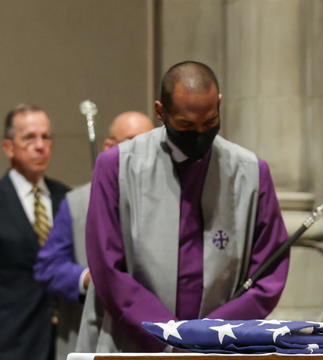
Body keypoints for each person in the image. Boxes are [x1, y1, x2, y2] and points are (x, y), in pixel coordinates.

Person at [77, 61, 290, 352]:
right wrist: (170, 335)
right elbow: (107, 266)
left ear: (218, 104)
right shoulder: (117, 166)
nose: (200, 134)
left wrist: (209, 335)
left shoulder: (251, 171)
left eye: (209, 122)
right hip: (132, 343)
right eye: (186, 126)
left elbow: (269, 272)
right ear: (161, 112)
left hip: (219, 347)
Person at [33, 111, 154, 360]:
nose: (144, 152)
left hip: (151, 339)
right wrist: (88, 277)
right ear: (109, 146)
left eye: (150, 142)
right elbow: (49, 267)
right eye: (132, 141)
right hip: (91, 340)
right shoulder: (77, 203)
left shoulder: (172, 200)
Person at [0, 104, 70, 360]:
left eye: (46, 137)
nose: (40, 145)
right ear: (8, 147)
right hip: (12, 342)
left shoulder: (67, 198)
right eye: (29, 137)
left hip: (65, 340)